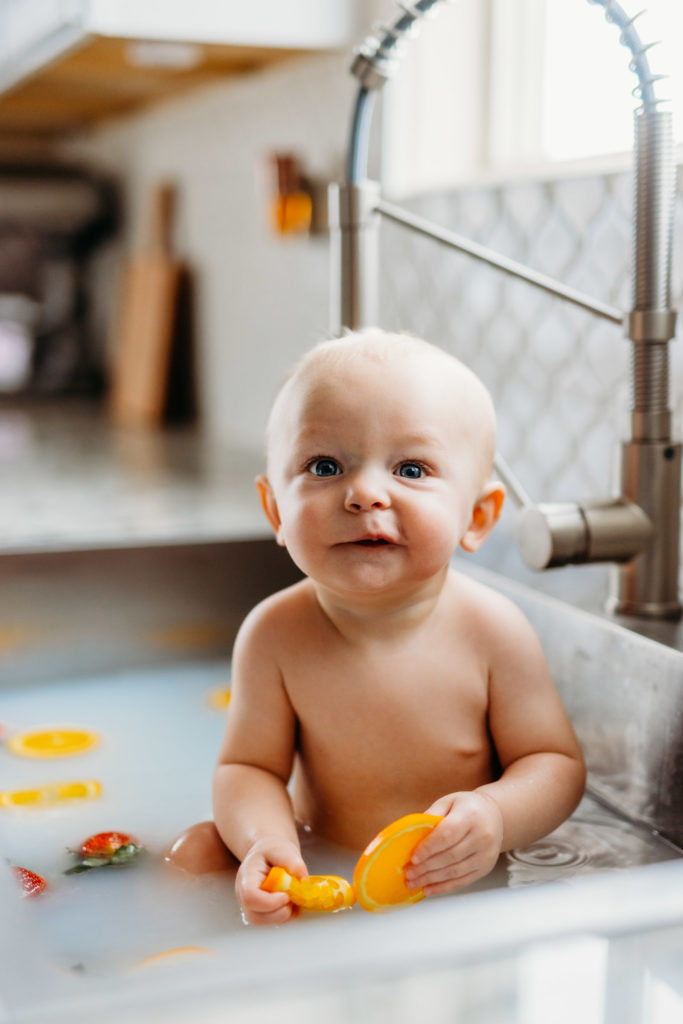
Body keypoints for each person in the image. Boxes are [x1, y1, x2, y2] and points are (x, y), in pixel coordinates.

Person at [165, 328, 586, 925]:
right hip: (324, 868)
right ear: (274, 510)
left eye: (411, 468)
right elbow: (248, 768)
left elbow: (554, 764)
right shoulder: (274, 635)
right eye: (325, 465)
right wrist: (267, 843)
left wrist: (494, 817)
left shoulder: (492, 631)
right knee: (196, 853)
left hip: (453, 883)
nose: (364, 493)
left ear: (478, 516)